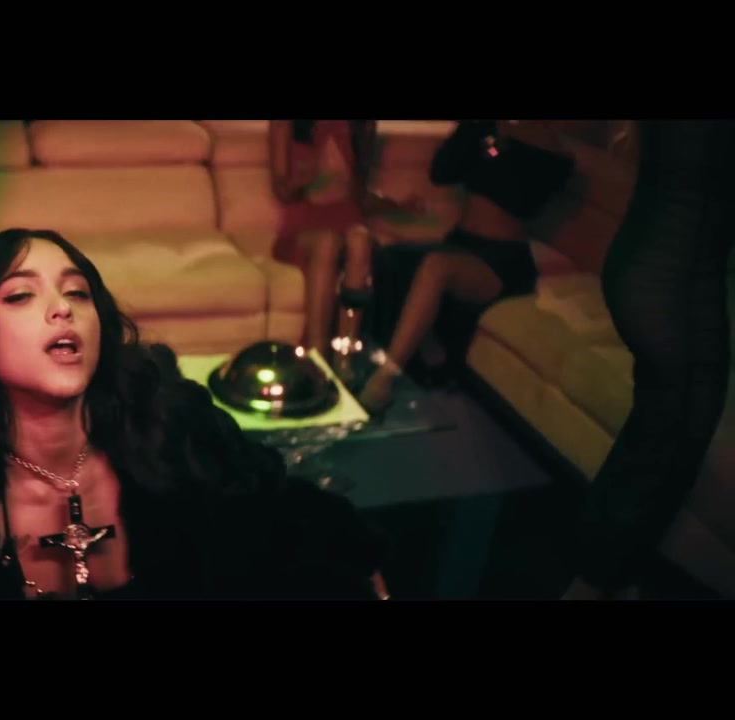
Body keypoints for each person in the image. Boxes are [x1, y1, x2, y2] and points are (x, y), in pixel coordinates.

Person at [0, 228, 389, 600]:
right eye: (20, 295)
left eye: (78, 293)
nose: (61, 309)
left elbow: (282, 516)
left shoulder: (170, 425)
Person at [565, 121, 735, 600]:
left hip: (677, 277)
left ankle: (609, 577)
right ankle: (595, 583)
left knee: (664, 438)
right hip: (665, 282)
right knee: (667, 445)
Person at [358, 120, 576, 412]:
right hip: (460, 242)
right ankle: (375, 359)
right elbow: (442, 172)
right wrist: (480, 134)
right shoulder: (485, 131)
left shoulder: (547, 145)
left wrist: (499, 144)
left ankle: (385, 378)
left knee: (436, 266)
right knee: (391, 256)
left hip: (501, 259)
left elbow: (525, 198)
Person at [268, 120, 422, 361]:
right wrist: (314, 175)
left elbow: (358, 195)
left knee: (360, 240)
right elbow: (281, 188)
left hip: (347, 218)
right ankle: (317, 354)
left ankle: (345, 355)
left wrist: (397, 207)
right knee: (328, 242)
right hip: (307, 220)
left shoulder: (360, 126)